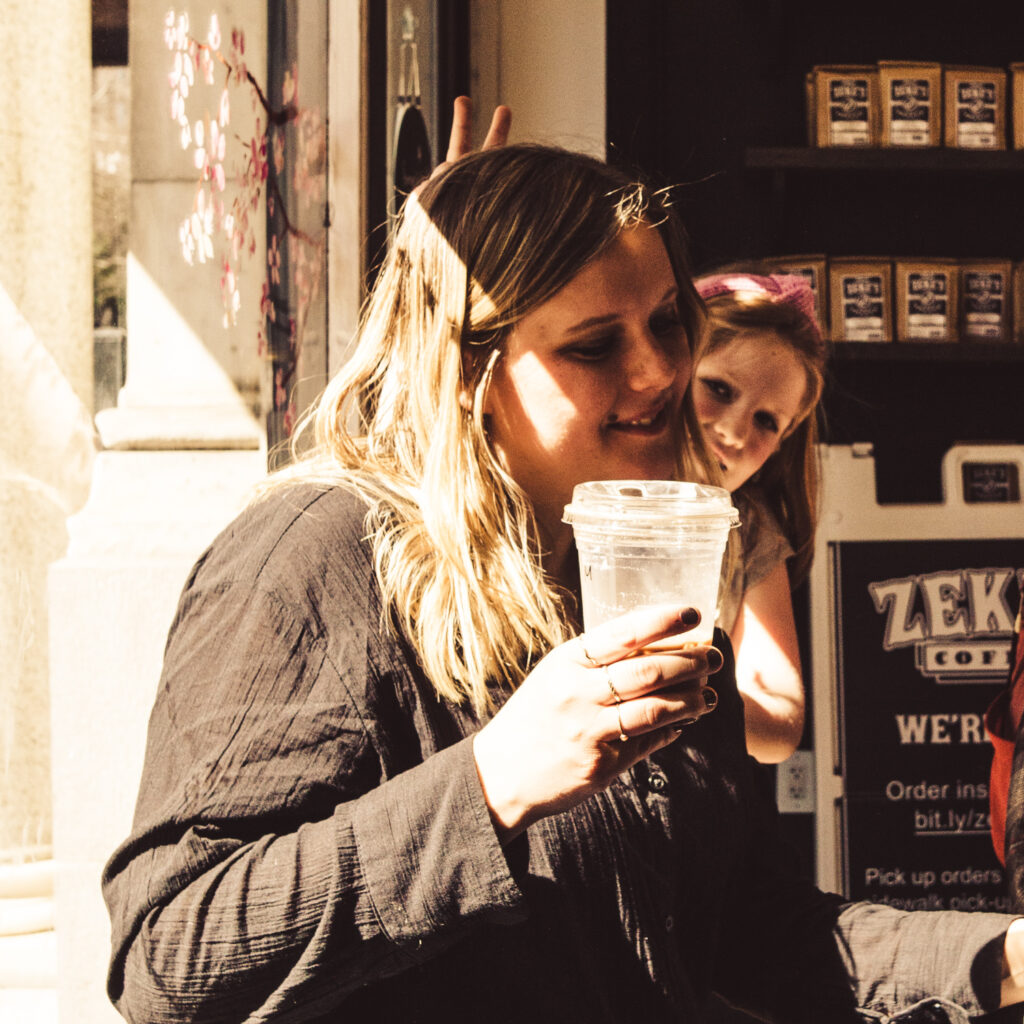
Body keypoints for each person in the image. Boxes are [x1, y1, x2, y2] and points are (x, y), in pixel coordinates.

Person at [102, 107, 1024, 1023]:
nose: (660, 371)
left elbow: (750, 931)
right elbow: (169, 961)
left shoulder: (636, 564)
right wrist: (492, 782)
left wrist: (1004, 959)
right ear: (464, 369)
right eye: (594, 345)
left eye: (669, 321)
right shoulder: (314, 556)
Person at [691, 272, 825, 765]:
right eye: (719, 389)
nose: (732, 431)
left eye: (767, 421)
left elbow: (779, 727)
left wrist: (673, 710)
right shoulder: (588, 493)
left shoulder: (749, 531)